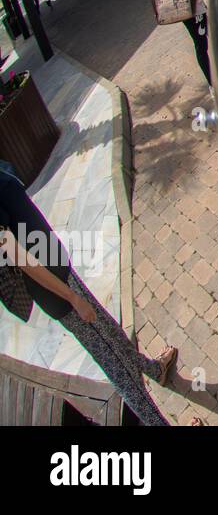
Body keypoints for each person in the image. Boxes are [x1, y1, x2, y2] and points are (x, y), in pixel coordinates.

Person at [0, 160, 178, 425]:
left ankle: (153, 369)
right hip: (57, 290)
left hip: (63, 275)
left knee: (112, 335)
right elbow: (16, 256)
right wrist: (71, 297)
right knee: (116, 366)